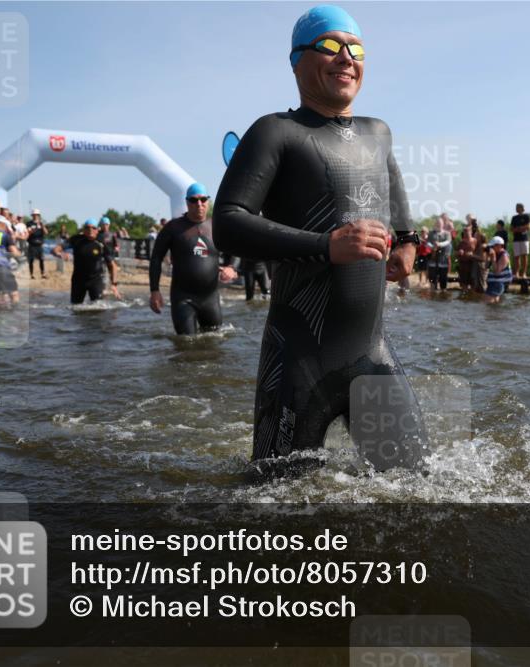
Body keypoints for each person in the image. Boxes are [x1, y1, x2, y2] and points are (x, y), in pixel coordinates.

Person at [211, 5, 425, 468]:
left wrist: (408, 243)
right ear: (296, 60)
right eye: (329, 46)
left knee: (420, 493)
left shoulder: (378, 133)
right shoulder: (275, 132)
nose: (346, 57)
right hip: (297, 360)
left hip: (372, 355)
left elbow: (399, 204)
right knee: (274, 507)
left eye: (356, 48)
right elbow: (227, 221)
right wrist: (326, 246)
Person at [149, 185, 238, 329]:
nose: (199, 204)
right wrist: (154, 290)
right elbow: (156, 258)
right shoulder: (173, 228)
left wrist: (231, 267)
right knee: (186, 344)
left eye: (203, 199)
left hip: (210, 298)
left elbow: (235, 249)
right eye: (194, 200)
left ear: (208, 201)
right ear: (187, 202)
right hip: (183, 298)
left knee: (215, 342)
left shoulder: (216, 226)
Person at [53, 218, 120, 304]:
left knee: (98, 309)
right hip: (78, 280)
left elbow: (112, 265)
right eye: (87, 228)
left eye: (93, 228)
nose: (90, 230)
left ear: (97, 230)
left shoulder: (101, 243)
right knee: (75, 309)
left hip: (95, 280)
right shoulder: (76, 239)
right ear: (84, 230)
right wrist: (61, 254)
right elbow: (55, 250)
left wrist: (114, 285)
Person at [483, 236, 512, 303]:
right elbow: (486, 267)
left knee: (486, 303)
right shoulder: (495, 254)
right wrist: (488, 257)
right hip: (493, 283)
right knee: (494, 306)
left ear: (499, 246)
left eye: (492, 246)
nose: (491, 248)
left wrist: (493, 257)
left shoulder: (504, 255)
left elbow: (497, 271)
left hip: (498, 282)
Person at [427, 217, 451, 290]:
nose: (439, 224)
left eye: (440, 223)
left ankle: (442, 298)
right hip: (433, 259)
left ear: (443, 224)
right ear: (435, 224)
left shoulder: (447, 233)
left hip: (443, 259)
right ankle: (433, 295)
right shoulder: (431, 233)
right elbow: (428, 242)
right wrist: (433, 246)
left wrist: (439, 244)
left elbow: (448, 242)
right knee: (432, 279)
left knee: (443, 280)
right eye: (437, 223)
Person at [510, 203, 530, 279]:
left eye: (517, 207)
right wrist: (520, 229)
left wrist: (518, 228)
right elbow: (511, 229)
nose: (516, 208)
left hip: (524, 239)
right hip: (516, 239)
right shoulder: (514, 218)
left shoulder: (526, 216)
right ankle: (517, 273)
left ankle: (524, 273)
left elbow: (528, 227)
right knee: (516, 257)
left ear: (521, 208)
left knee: (524, 256)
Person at [26, 209, 47, 278]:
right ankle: (31, 274)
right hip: (32, 244)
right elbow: (28, 232)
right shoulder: (29, 223)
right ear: (32, 215)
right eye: (34, 215)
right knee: (31, 260)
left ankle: (43, 274)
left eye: (37, 215)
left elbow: (46, 232)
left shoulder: (41, 223)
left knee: (41, 259)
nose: (36, 216)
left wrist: (42, 226)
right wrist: (34, 229)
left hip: (39, 244)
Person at [456, 225, 475, 293]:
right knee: (464, 284)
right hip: (463, 265)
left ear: (471, 231)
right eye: (465, 231)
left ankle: (472, 299)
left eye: (467, 231)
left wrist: (472, 254)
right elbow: (456, 253)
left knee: (473, 284)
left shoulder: (475, 241)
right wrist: (459, 252)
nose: (466, 232)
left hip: (472, 265)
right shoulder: (461, 242)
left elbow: (481, 253)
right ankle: (464, 299)